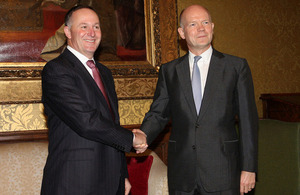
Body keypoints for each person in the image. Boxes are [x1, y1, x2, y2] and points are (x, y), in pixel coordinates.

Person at [139, 4, 258, 195]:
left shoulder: (236, 67)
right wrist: (142, 135)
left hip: (224, 172)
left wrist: (249, 168)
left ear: (212, 27)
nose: (201, 28)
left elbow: (248, 121)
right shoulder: (170, 71)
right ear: (182, 32)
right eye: (193, 24)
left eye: (205, 22)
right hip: (182, 173)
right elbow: (158, 113)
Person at [41, 5, 147, 195]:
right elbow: (86, 122)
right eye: (83, 26)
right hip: (73, 182)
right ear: (68, 32)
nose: (91, 33)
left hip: (110, 181)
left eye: (96, 27)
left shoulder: (104, 73)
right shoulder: (56, 70)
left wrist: (122, 175)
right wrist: (132, 138)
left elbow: (112, 123)